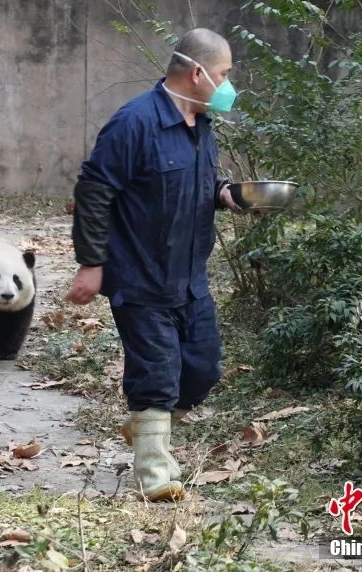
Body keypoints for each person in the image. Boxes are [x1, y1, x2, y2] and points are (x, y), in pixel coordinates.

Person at [67, 28, 242, 501]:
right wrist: (91, 263)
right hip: (139, 276)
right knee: (157, 372)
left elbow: (197, 184)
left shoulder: (202, 127)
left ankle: (145, 429)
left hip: (189, 278)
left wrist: (225, 193)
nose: (228, 85)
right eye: (224, 75)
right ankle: (155, 476)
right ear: (197, 72)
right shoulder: (134, 123)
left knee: (201, 370)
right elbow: (95, 191)